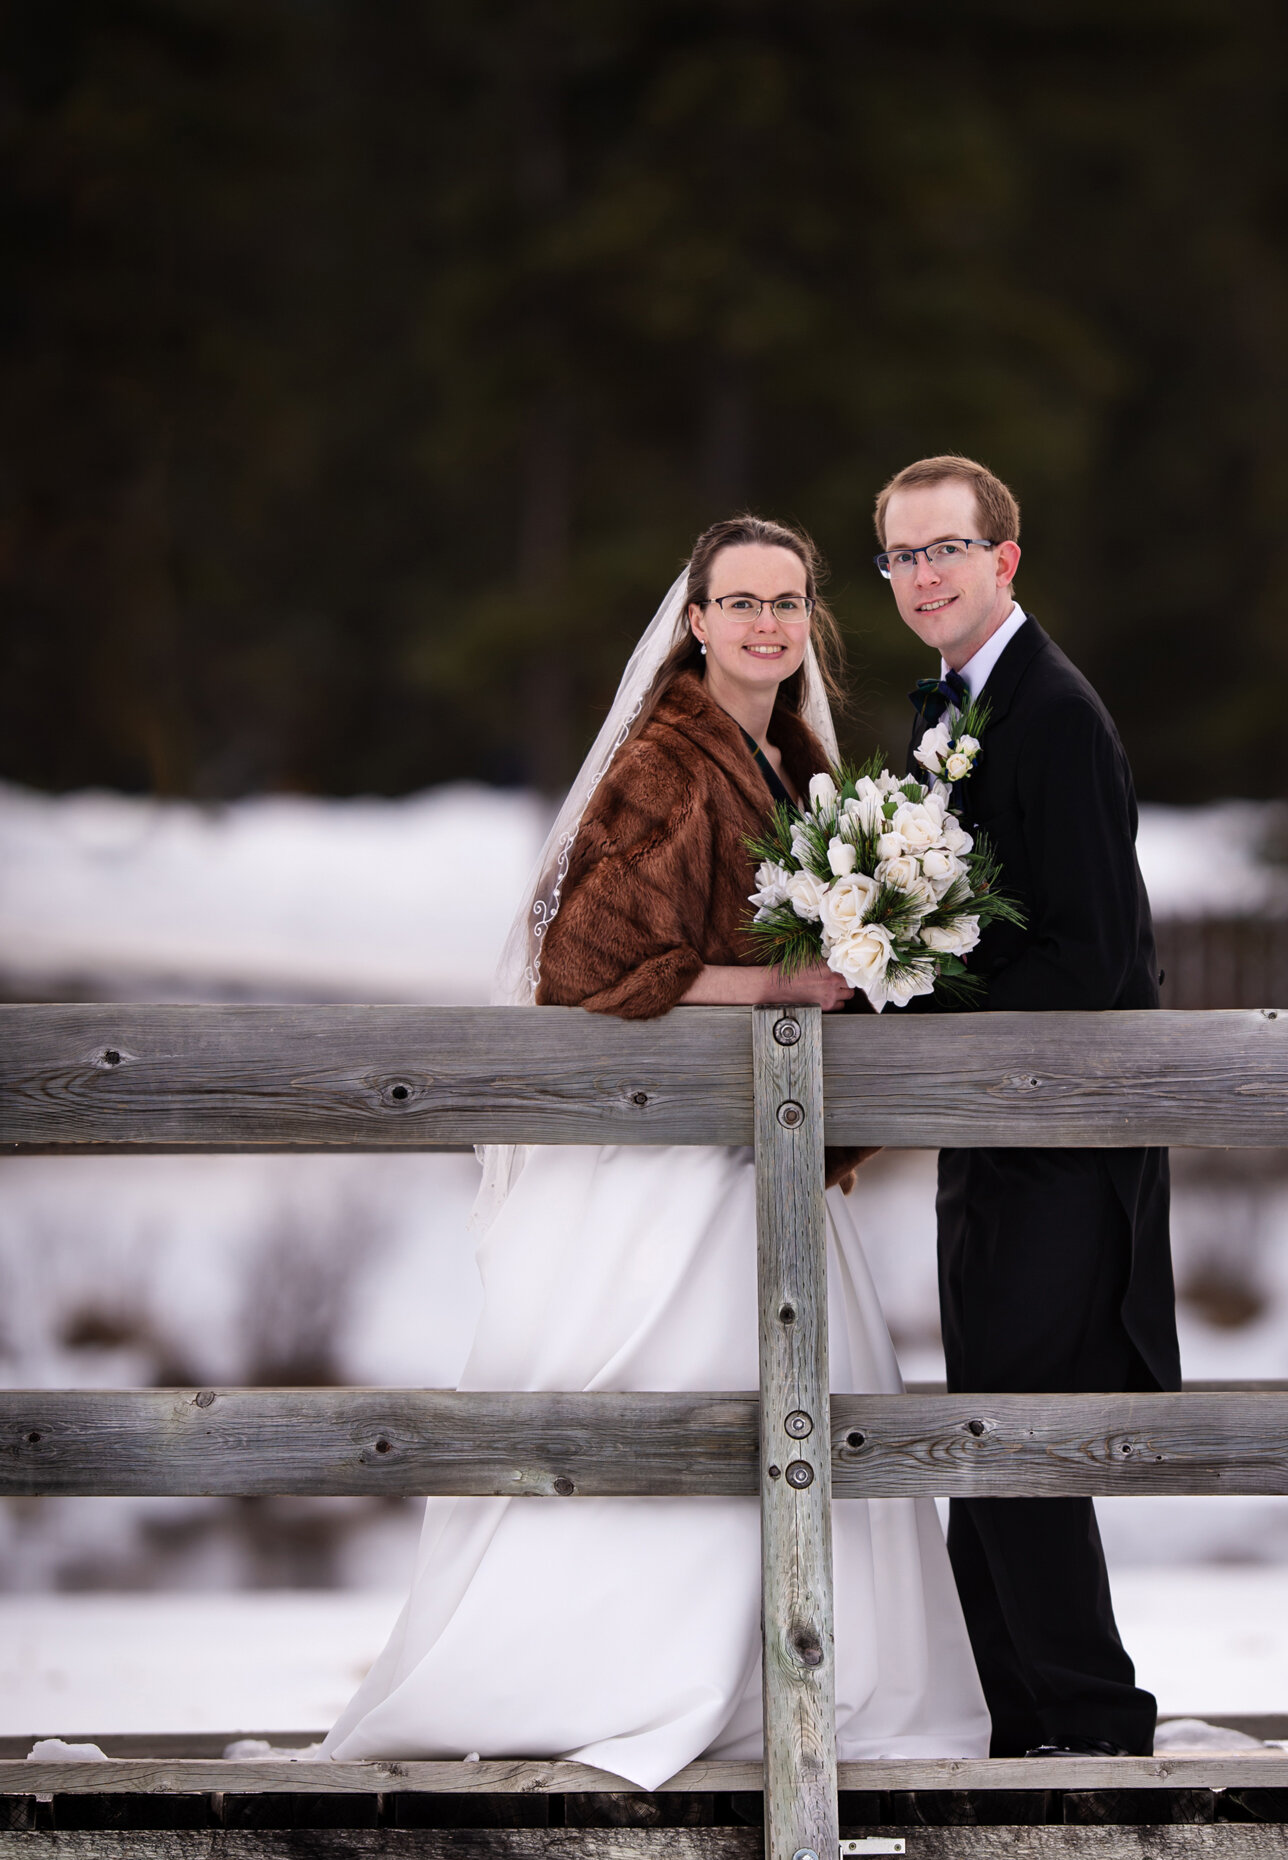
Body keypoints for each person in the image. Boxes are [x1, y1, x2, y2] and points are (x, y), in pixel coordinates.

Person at [321, 514, 989, 1787]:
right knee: (673, 1415)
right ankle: (612, 1678)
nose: (765, 625)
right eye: (739, 602)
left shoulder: (786, 753)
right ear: (693, 622)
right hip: (676, 1162)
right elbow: (582, 965)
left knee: (798, 1413)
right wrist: (781, 984)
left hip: (763, 1153)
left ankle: (784, 1686)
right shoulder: (666, 762)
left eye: (787, 603)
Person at [877, 454, 1180, 1759]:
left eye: (943, 550)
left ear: (1004, 559)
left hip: (1059, 1143)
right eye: (898, 557)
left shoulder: (1049, 714)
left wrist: (916, 998)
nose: (920, 576)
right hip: (991, 1134)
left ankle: (1095, 1738)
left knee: (1016, 1450)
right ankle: (1008, 1729)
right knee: (978, 1445)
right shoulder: (951, 707)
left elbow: (1094, 955)